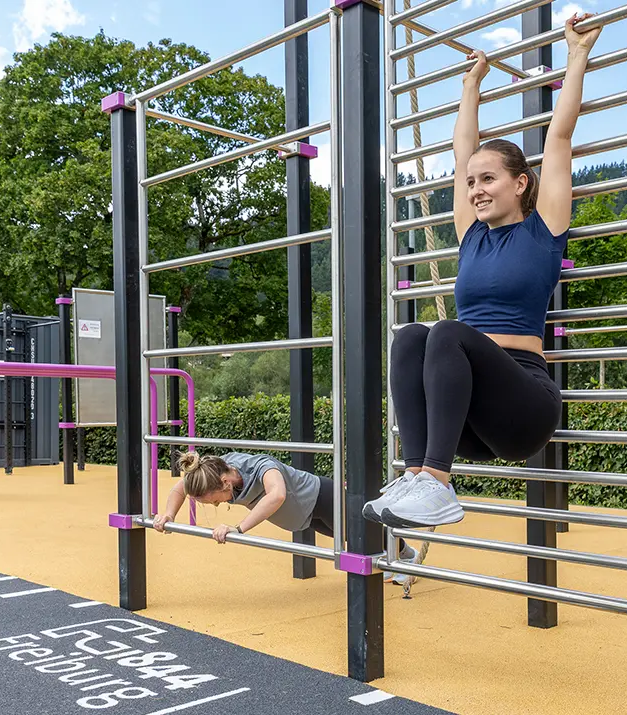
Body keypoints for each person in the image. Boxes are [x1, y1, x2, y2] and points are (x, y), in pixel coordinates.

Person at [364, 13, 603, 529]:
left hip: (524, 405)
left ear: (520, 184)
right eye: (472, 182)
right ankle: (419, 476)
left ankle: (437, 486)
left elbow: (559, 138)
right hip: (473, 419)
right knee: (408, 337)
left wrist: (577, 55)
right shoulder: (471, 235)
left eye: (488, 179)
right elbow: (460, 151)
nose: (475, 188)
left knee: (447, 332)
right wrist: (471, 86)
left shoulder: (544, 230)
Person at [154, 451, 426, 584]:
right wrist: (168, 514)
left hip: (321, 496)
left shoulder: (260, 467)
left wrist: (238, 528)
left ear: (225, 483)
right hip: (302, 515)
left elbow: (277, 495)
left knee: (356, 537)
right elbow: (181, 487)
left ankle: (405, 555)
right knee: (345, 539)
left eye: (215, 501)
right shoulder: (211, 471)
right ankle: (402, 554)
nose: (216, 505)